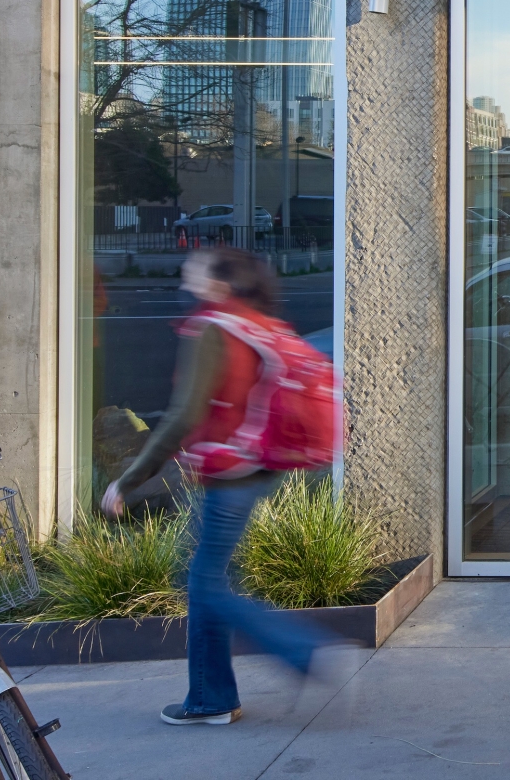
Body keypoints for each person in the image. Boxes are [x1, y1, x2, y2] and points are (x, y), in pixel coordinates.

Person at [103, 247, 321, 726]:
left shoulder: (214, 327)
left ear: (219, 283)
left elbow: (183, 415)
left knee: (203, 584)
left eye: (199, 265)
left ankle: (303, 651)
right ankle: (211, 698)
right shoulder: (254, 321)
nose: (189, 267)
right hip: (252, 471)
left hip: (227, 477)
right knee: (207, 582)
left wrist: (130, 478)